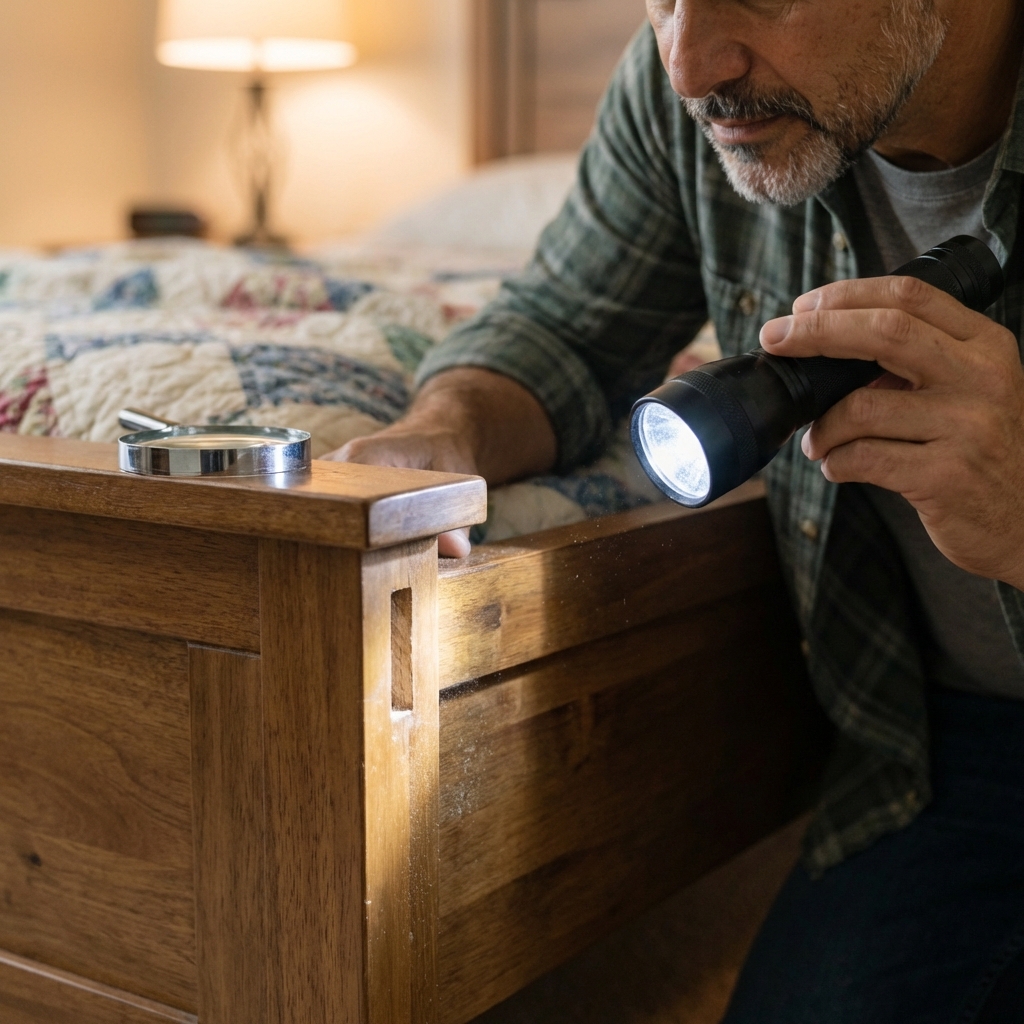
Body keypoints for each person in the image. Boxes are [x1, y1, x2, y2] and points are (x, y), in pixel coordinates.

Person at [326, 0, 1024, 1017]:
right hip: (940, 749)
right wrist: (445, 432)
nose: (690, 64)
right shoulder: (705, 100)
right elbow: (564, 331)